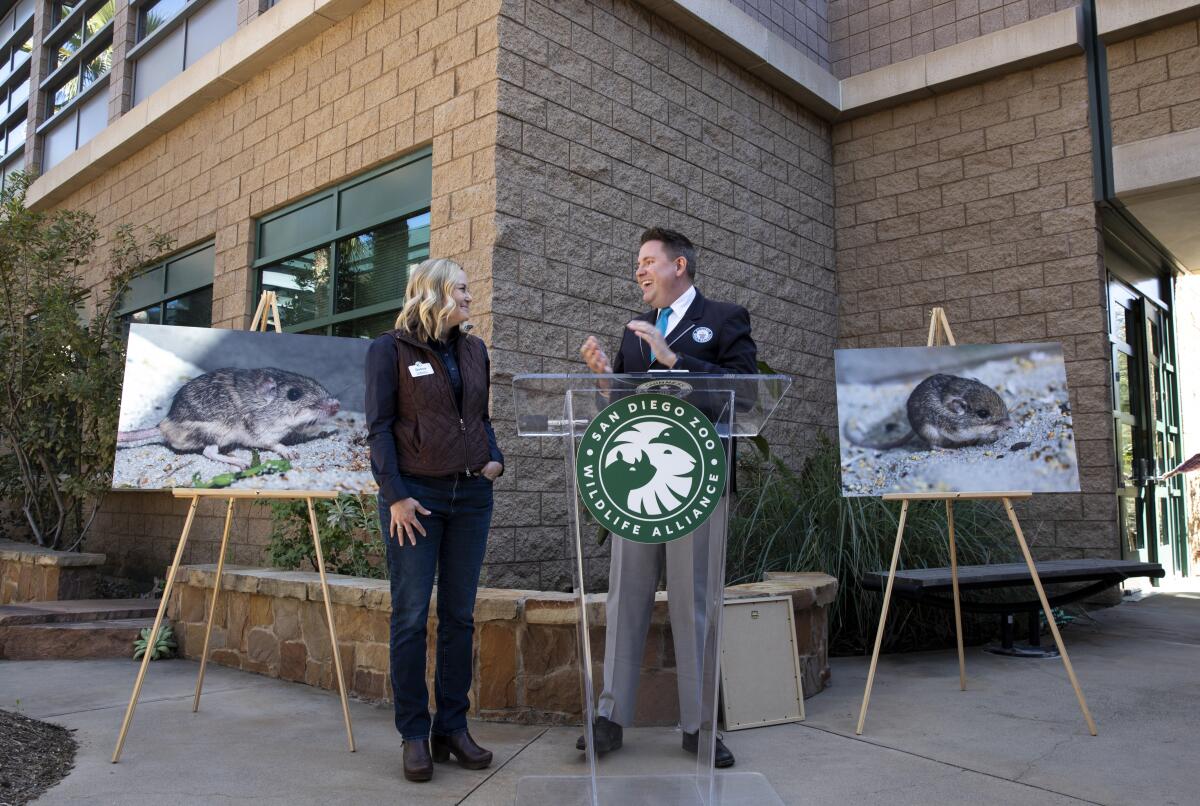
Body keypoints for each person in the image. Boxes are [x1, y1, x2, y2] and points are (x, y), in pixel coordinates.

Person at [578, 227, 757, 768]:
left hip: (696, 483)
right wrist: (608, 380)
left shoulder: (725, 319)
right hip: (635, 488)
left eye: (647, 261)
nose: (639, 271)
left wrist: (674, 360)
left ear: (679, 266)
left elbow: (745, 394)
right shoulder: (633, 333)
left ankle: (699, 726)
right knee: (625, 598)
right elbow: (628, 409)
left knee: (695, 602)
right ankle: (610, 718)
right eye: (637, 263)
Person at [365, 258, 504, 783]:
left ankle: (452, 728)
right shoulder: (389, 349)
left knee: (460, 617)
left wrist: (495, 459)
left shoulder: (474, 350)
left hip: (470, 495)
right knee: (408, 616)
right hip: (415, 500)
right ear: (435, 292)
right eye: (463, 289)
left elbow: (481, 418)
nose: (470, 297)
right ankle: (414, 735)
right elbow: (378, 428)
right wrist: (396, 496)